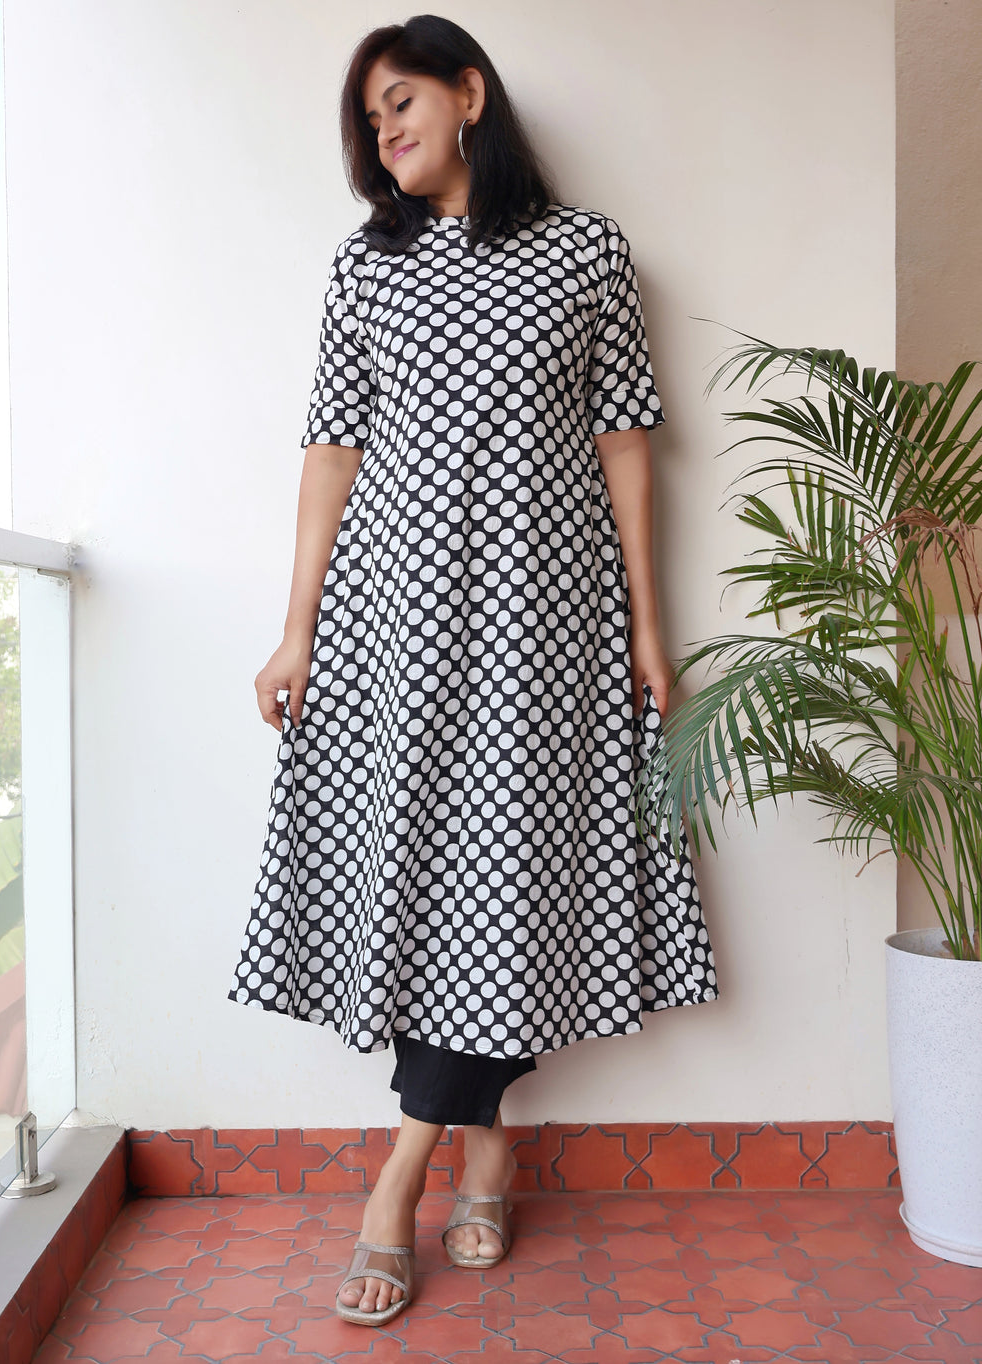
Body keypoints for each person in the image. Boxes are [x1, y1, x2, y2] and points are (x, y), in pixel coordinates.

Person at [226, 13, 719, 1327]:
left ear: (470, 94)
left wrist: (648, 625)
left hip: (543, 619)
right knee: (427, 875)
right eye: (366, 119)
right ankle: (487, 1145)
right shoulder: (368, 268)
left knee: (503, 874)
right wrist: (298, 625)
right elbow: (331, 449)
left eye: (399, 103)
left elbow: (627, 439)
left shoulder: (586, 253)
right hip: (397, 618)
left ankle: (398, 1185)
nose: (381, 133)